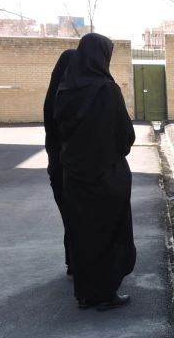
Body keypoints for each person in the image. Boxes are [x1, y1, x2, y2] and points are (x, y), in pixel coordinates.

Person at [54, 33, 136, 310]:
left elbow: (59, 130)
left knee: (82, 233)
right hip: (105, 177)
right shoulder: (107, 90)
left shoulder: (65, 89)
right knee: (108, 233)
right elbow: (125, 136)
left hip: (73, 177)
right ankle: (105, 293)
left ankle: (85, 293)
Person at [43, 49, 75, 276]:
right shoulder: (71, 99)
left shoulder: (51, 97)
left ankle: (72, 262)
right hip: (75, 169)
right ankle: (80, 265)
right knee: (82, 220)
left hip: (56, 166)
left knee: (69, 219)